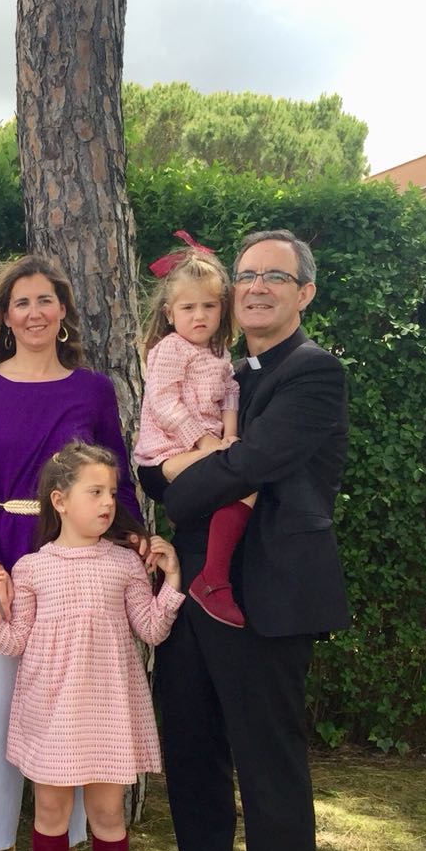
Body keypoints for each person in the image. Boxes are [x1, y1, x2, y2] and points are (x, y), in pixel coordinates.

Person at [137, 229, 350, 851]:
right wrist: (167, 473)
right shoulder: (225, 366)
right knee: (191, 747)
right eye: (248, 274)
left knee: (268, 765)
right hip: (194, 587)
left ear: (305, 293)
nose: (256, 286)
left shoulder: (312, 372)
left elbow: (250, 464)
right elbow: (159, 465)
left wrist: (171, 481)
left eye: (275, 276)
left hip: (269, 598)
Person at [0, 253, 140, 851]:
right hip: (0, 561)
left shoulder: (92, 390)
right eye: (21, 302)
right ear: (5, 316)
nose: (34, 312)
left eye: (45, 300)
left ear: (63, 312)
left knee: (74, 715)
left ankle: (69, 847)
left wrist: (135, 538)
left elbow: (117, 481)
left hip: (77, 567)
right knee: (0, 712)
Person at [0, 442, 182, 851]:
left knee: (107, 813)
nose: (107, 503)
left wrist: (171, 580)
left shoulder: (124, 565)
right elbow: (15, 641)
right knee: (51, 810)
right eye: (95, 492)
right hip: (50, 711)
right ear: (59, 501)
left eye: (111, 492)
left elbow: (151, 629)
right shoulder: (31, 568)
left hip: (108, 710)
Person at [132, 249, 256, 628]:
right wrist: (205, 443)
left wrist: (229, 436)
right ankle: (213, 579)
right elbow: (164, 403)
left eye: (209, 306)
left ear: (222, 309)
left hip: (207, 448)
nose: (199, 316)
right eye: (188, 308)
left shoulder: (220, 353)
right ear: (170, 313)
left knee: (245, 482)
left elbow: (230, 393)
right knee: (247, 480)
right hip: (166, 453)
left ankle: (209, 575)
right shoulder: (170, 349)